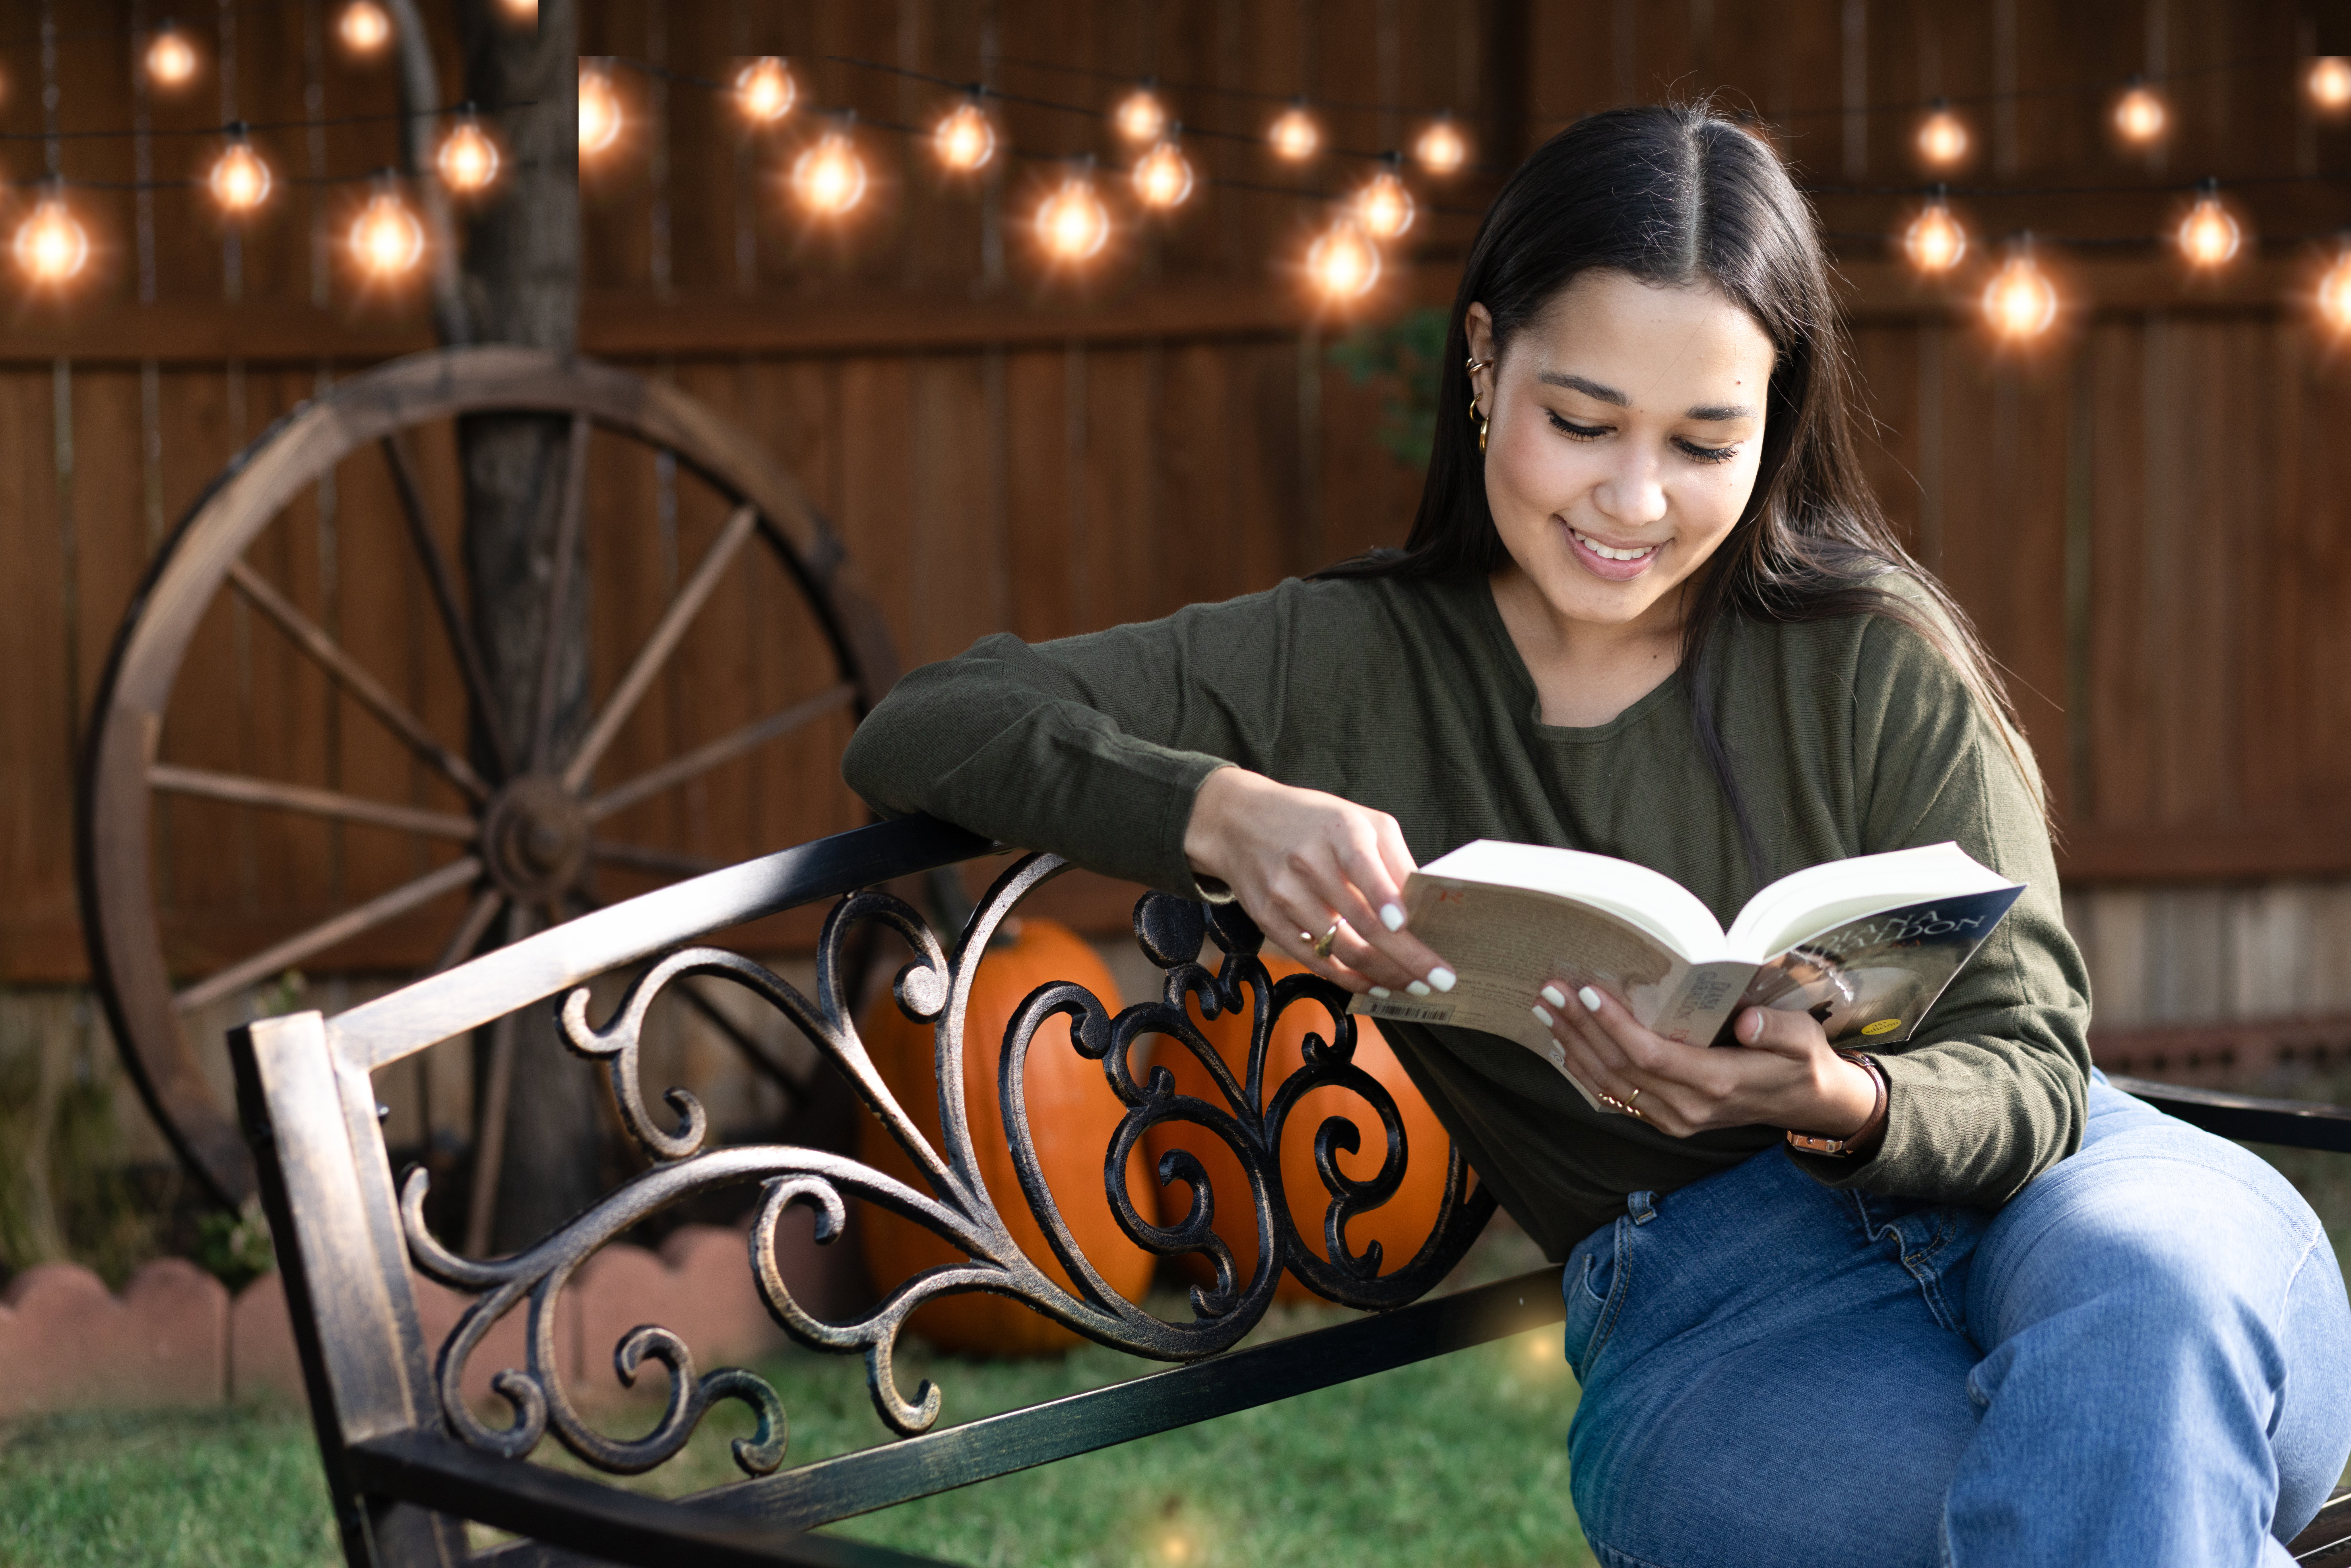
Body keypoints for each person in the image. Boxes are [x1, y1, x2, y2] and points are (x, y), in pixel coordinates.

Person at [840, 103, 2351, 1567]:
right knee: (2114, 1499)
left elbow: (2032, 1066)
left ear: (1778, 417)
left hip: (2073, 1212)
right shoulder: (1336, 661)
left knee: (2152, 1316)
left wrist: (1840, 1095)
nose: (1634, 500)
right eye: (1582, 422)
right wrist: (1217, 809)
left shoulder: (1875, 658)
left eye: (1707, 441)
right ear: (1487, 362)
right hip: (1727, 1323)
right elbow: (931, 718)